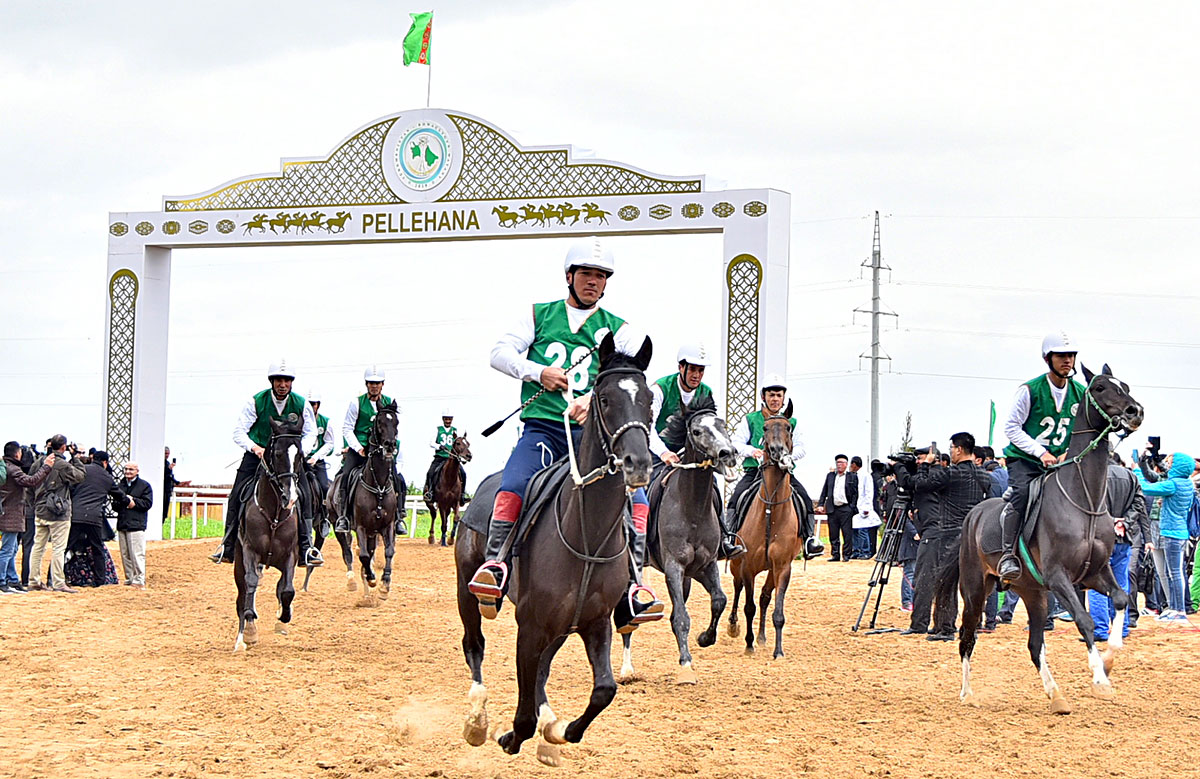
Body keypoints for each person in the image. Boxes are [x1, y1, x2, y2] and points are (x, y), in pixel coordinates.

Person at [466, 237, 662, 632]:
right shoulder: (538, 315)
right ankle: (496, 564)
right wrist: (538, 372)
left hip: (593, 440)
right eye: (587, 274)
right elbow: (498, 353)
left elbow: (638, 383)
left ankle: (634, 586)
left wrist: (592, 397)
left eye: (601, 276)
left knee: (637, 498)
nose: (593, 282)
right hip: (544, 428)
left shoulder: (618, 330)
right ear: (569, 277)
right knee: (515, 482)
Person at [210, 360, 323, 566]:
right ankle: (227, 545)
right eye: (279, 380)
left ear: (291, 383)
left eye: (287, 380)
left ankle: (307, 548)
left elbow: (311, 433)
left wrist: (299, 452)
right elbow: (239, 432)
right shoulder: (256, 401)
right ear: (272, 381)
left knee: (306, 495)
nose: (283, 384)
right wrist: (255, 448)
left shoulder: (301, 404)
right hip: (258, 456)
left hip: (288, 459)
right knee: (236, 494)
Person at [997, 332, 1087, 585]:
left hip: (1063, 461)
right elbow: (1012, 428)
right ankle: (1008, 555)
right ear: (1048, 358)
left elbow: (1082, 430)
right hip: (1025, 460)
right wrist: (1041, 453)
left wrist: (1070, 452)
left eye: (1070, 355)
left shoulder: (1081, 392)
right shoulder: (1029, 390)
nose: (1067, 360)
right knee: (1023, 494)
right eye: (1061, 356)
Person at [649, 341, 743, 559]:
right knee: (646, 488)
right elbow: (648, 427)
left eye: (701, 370)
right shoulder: (660, 389)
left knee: (713, 486)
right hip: (657, 454)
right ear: (681, 367)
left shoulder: (706, 393)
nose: (697, 375)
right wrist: (663, 453)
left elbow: (714, 427)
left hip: (691, 454)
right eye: (692, 369)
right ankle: (642, 538)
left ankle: (724, 538)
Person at [900, 432, 991, 640]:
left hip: (948, 531)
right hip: (973, 534)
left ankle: (945, 628)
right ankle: (965, 625)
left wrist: (926, 465)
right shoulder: (984, 475)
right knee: (968, 583)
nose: (951, 452)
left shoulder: (951, 474)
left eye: (952, 448)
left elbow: (921, 484)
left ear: (959, 449)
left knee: (944, 581)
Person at [726, 375, 816, 555]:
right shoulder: (751, 419)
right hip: (755, 471)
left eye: (778, 395)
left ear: (783, 398)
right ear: (763, 397)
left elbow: (802, 447)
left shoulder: (792, 422)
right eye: (771, 395)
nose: (775, 399)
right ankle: (728, 538)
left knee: (805, 499)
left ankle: (809, 540)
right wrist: (753, 451)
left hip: (783, 473)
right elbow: (736, 442)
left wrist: (790, 456)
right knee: (736, 498)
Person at [334, 366, 404, 533]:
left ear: (382, 384)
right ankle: (344, 516)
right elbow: (347, 428)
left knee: (398, 478)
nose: (374, 386)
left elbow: (393, 427)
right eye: (371, 383)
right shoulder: (356, 403)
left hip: (382, 451)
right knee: (346, 475)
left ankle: (399, 517)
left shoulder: (390, 402)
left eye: (377, 383)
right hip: (360, 449)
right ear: (366, 384)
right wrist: (358, 447)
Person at [1088, 455, 1148, 640]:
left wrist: (1110, 522)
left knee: (1096, 584)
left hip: (1098, 538)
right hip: (1123, 538)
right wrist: (1124, 523)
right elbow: (1139, 503)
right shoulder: (1130, 476)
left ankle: (1099, 629)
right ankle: (1121, 629)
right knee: (1121, 583)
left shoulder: (1093, 475)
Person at [1136, 451, 1195, 623]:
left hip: (1171, 533)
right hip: (1180, 531)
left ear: (1178, 466)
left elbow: (1146, 488)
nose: (1168, 465)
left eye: (1170, 463)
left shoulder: (1172, 484)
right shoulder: (1187, 484)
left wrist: (1137, 471)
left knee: (1174, 573)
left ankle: (1179, 610)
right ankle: (1175, 607)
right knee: (1174, 572)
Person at [30, 435, 87, 592]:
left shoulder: (39, 462)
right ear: (63, 447)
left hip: (40, 509)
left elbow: (31, 483)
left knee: (38, 547)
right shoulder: (62, 464)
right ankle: (58, 582)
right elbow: (80, 476)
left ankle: (33, 580)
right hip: (58, 512)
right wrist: (75, 457)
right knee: (58, 548)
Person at [0, 442, 53, 593]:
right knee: (7, 549)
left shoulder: (5, 467)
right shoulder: (13, 469)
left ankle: (12, 579)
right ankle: (2, 581)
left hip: (6, 513)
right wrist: (46, 467)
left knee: (12, 548)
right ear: (17, 454)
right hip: (11, 515)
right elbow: (31, 481)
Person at [68, 450, 118, 587]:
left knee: (66, 547)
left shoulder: (83, 470)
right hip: (94, 518)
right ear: (105, 462)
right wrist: (130, 502)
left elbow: (70, 488)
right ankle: (100, 580)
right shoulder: (107, 477)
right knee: (97, 549)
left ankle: (52, 577)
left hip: (76, 515)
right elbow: (118, 495)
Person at [112, 461, 153, 588]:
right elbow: (115, 504)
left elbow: (147, 504)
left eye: (131, 469)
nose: (128, 472)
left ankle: (139, 579)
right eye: (126, 469)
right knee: (125, 554)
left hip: (136, 524)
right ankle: (129, 578)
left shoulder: (144, 486)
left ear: (137, 471)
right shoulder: (121, 485)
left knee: (137, 553)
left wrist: (133, 502)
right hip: (123, 523)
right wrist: (123, 502)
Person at [304, 392, 338, 537]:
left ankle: (324, 519)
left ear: (318, 405)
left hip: (317, 462)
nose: (312, 407)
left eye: (315, 404)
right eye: (310, 404)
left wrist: (316, 457)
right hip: (300, 461)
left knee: (324, 486)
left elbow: (330, 443)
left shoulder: (325, 422)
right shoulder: (298, 420)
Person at [816, 455, 857, 562]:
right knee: (833, 533)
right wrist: (821, 504)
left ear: (846, 464)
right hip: (832, 508)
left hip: (846, 508)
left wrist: (852, 507)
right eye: (837, 462)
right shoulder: (830, 476)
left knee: (847, 533)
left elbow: (855, 493)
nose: (839, 465)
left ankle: (847, 554)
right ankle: (835, 554)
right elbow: (824, 491)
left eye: (841, 463)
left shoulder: (851, 476)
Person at [423, 410, 465, 505]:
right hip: (440, 457)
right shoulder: (438, 429)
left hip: (452, 458)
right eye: (446, 419)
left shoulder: (455, 431)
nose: (448, 421)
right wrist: (439, 446)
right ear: (443, 419)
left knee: (463, 473)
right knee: (430, 473)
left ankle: (462, 495)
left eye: (449, 419)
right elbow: (431, 442)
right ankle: (430, 492)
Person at [163, 446, 179, 522]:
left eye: (168, 453)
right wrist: (168, 469)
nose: (167, 455)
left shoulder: (167, 463)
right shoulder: (163, 463)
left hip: (168, 489)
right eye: (165, 453)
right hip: (164, 490)